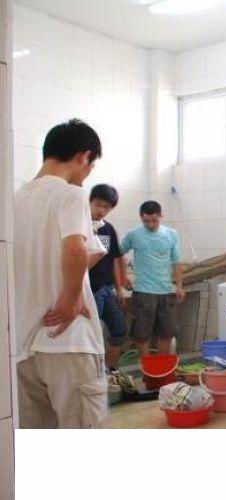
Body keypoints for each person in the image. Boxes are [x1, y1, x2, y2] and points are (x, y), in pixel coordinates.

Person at [14, 119, 108, 429]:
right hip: (67, 340)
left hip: (22, 345)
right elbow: (74, 249)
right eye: (90, 166)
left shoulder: (13, 200)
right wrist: (70, 297)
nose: (87, 174)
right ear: (84, 156)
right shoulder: (71, 195)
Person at [121, 201, 184, 356]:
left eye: (154, 220)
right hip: (143, 291)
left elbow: (177, 262)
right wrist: (122, 276)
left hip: (165, 291)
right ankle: (147, 366)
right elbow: (117, 255)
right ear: (141, 218)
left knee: (167, 333)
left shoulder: (171, 234)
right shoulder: (133, 235)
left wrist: (179, 286)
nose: (150, 224)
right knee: (141, 334)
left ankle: (161, 366)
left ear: (160, 216)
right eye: (146, 221)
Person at [88, 184, 130, 371]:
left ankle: (110, 371)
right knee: (91, 335)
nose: (102, 211)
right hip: (89, 290)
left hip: (106, 289)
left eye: (107, 208)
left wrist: (119, 288)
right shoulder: (80, 225)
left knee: (119, 330)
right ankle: (93, 374)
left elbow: (115, 259)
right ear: (90, 202)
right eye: (98, 205)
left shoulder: (108, 228)